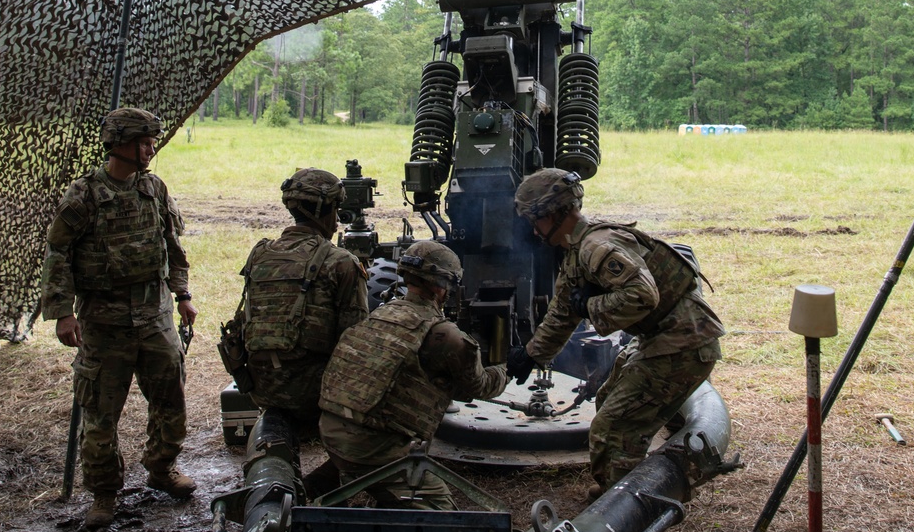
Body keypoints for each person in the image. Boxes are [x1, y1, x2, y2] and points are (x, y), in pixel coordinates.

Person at [510, 167, 724, 507]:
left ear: (551, 214)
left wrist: (592, 305)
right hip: (662, 337)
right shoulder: (577, 251)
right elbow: (564, 311)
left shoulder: (596, 247)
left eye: (534, 221)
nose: (533, 231)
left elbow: (643, 296)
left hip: (683, 342)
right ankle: (617, 490)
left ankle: (626, 519)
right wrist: (533, 353)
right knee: (608, 402)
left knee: (614, 430)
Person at [42, 108, 197, 530]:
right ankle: (104, 494)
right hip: (104, 321)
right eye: (145, 141)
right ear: (121, 143)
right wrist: (61, 313)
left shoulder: (154, 189)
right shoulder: (85, 194)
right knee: (99, 414)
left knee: (171, 400)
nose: (151, 149)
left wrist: (182, 295)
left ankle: (161, 469)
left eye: (152, 141)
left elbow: (172, 247)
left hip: (154, 316)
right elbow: (59, 254)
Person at [319, 241, 507, 509]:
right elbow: (480, 387)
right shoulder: (446, 336)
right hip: (371, 450)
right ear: (442, 286)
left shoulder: (381, 314)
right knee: (440, 516)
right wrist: (504, 368)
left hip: (331, 433)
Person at [231, 169, 368, 482]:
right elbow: (354, 345)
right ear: (324, 212)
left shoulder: (259, 253)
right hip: (312, 395)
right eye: (335, 210)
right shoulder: (341, 262)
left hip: (261, 388)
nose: (337, 220)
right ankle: (330, 481)